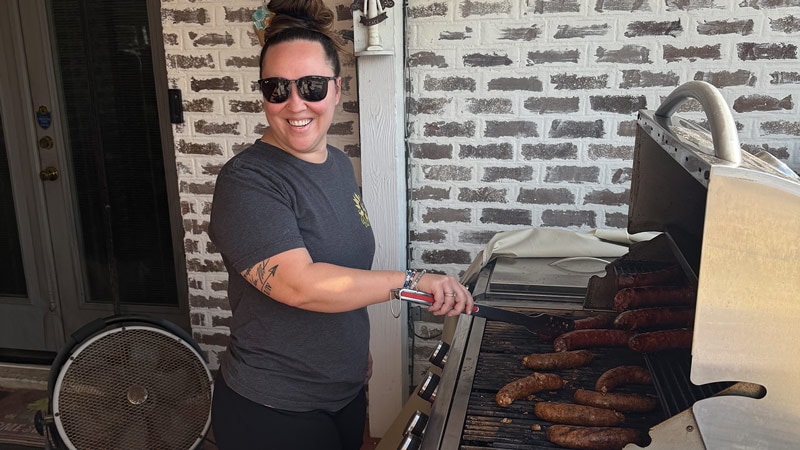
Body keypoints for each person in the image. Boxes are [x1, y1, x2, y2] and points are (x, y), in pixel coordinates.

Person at [207, 1, 474, 448]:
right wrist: (413, 281)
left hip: (344, 394)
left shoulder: (335, 165)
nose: (295, 103)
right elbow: (300, 285)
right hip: (273, 410)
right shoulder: (247, 182)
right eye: (277, 88)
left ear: (337, 88)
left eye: (311, 86)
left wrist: (351, 350)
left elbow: (342, 269)